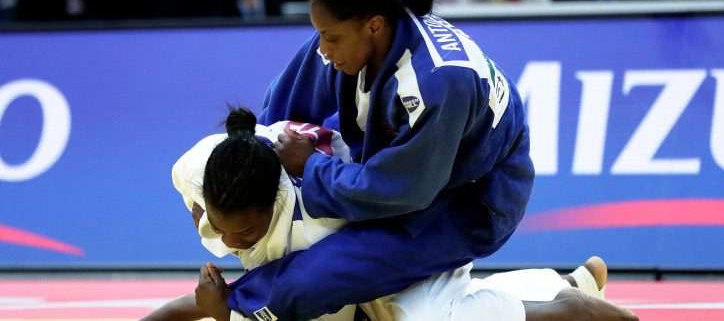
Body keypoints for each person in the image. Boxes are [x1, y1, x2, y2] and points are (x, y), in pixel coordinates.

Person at [198, 0, 531, 319]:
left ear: (373, 26)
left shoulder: (436, 83)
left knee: (310, 285)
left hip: (469, 196)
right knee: (216, 170)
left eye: (331, 38)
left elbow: (399, 191)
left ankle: (564, 308)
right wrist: (253, 167)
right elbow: (278, 116)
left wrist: (312, 166)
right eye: (319, 34)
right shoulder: (348, 33)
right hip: (395, 163)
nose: (323, 49)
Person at [145, 108, 638, 321]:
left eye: (245, 232)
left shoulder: (318, 231)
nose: (230, 243)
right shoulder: (204, 164)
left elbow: (239, 303)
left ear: (273, 202)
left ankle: (573, 309)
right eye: (215, 222)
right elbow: (226, 297)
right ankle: (570, 282)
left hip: (399, 245)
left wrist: (220, 314)